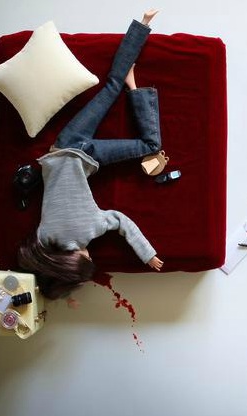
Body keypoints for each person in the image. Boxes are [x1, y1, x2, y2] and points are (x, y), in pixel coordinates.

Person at [18, 10, 163, 300]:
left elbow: (122, 222)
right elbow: (47, 269)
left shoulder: (92, 228)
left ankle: (136, 77)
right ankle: (141, 29)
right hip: (71, 149)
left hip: (81, 150)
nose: (90, 255)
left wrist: (147, 254)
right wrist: (63, 289)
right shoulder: (44, 240)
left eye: (87, 259)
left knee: (150, 146)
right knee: (111, 87)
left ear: (78, 259)